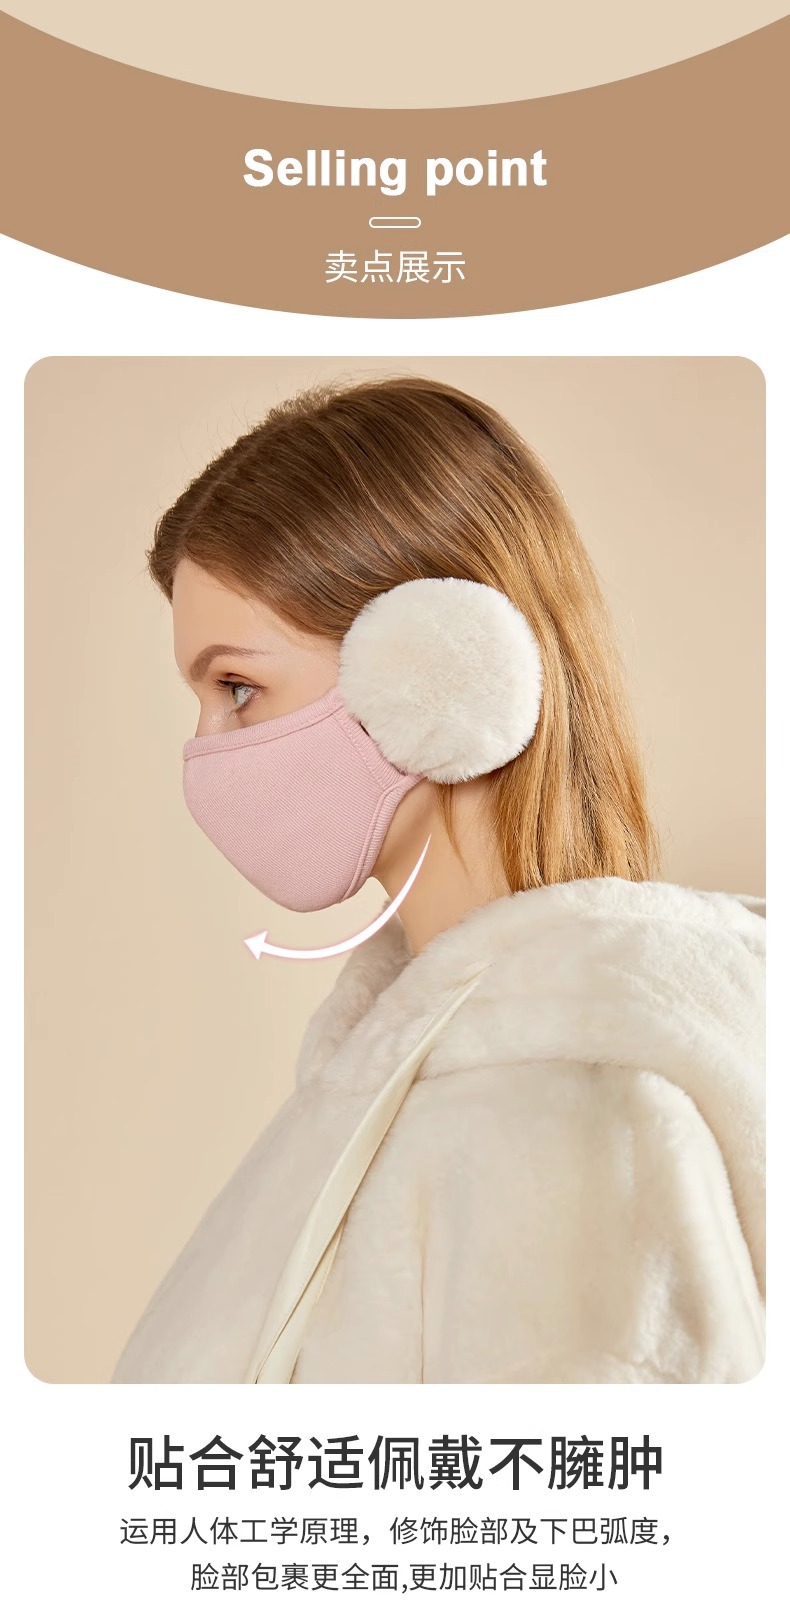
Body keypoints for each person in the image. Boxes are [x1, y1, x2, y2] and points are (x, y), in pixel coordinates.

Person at [112, 376, 765, 1384]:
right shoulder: (408, 1076)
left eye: (238, 687)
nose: (207, 748)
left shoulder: (553, 1117)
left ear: (436, 668)